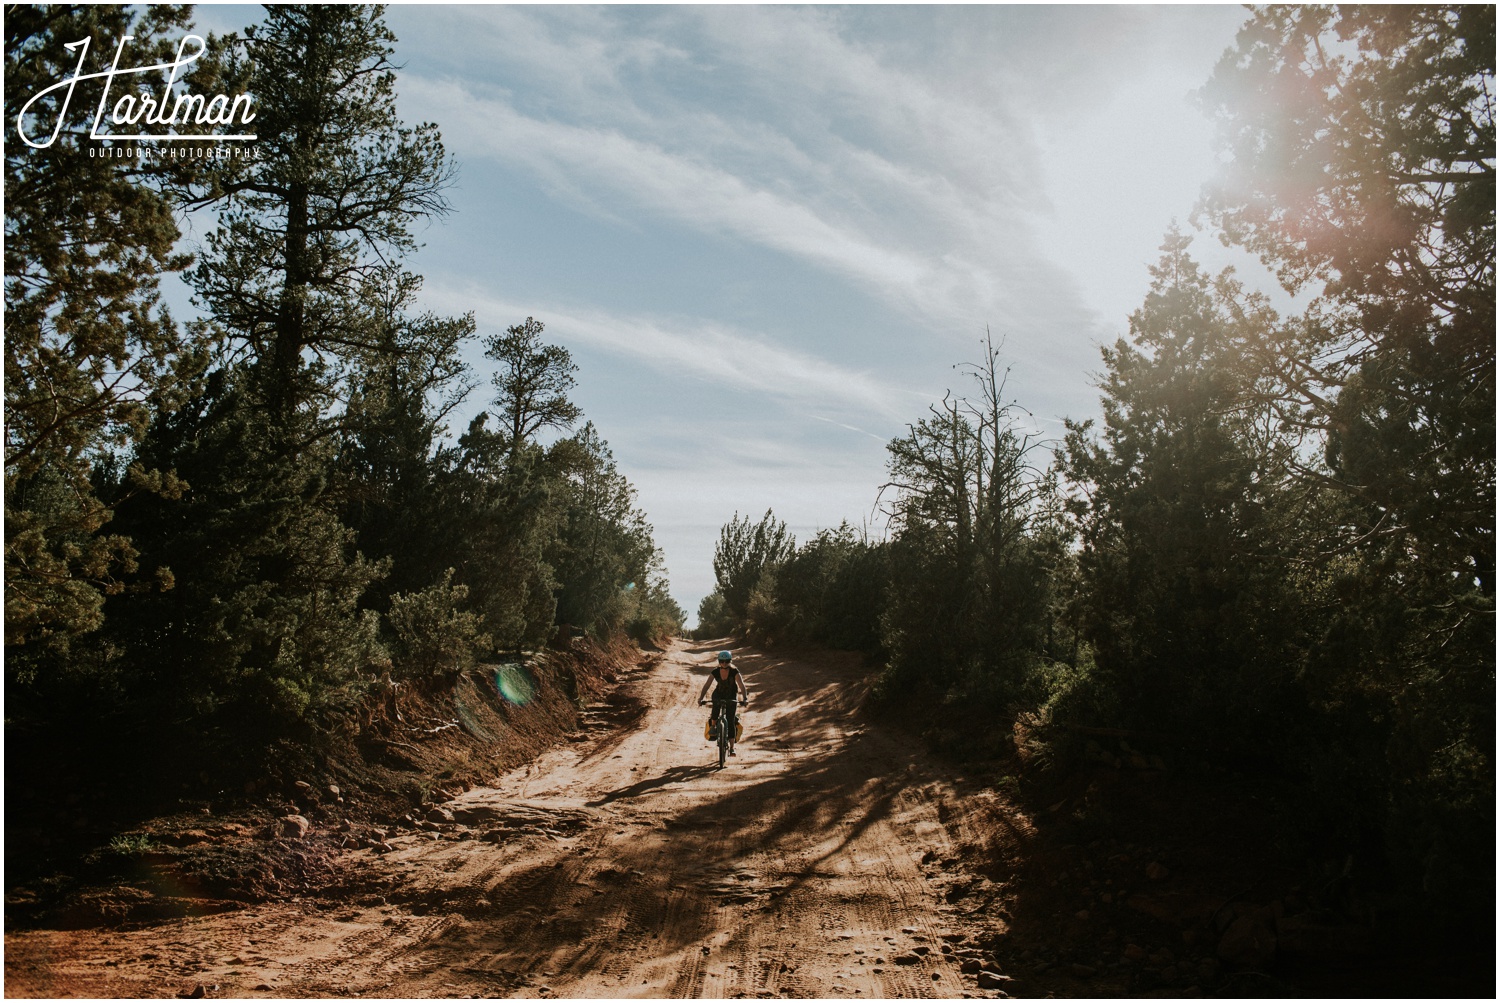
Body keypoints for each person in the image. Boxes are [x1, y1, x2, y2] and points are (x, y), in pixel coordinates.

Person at [698, 650, 748, 754]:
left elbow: (741, 685)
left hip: (731, 695)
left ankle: (732, 748)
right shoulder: (715, 671)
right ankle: (713, 726)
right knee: (715, 708)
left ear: (730, 661)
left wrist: (745, 698)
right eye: (722, 661)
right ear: (719, 661)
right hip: (719, 693)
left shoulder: (734, 671)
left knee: (730, 720)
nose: (724, 663)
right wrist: (701, 698)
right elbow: (707, 685)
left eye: (726, 661)